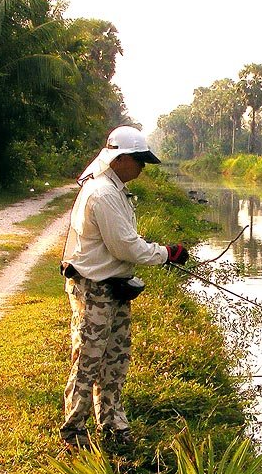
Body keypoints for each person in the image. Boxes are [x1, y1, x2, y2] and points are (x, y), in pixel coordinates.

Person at [59, 125, 189, 451]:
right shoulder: (102, 194)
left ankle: (113, 423)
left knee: (116, 359)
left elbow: (123, 246)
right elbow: (125, 247)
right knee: (88, 360)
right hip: (93, 290)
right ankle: (74, 431)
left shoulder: (115, 190)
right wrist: (166, 253)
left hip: (114, 288)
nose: (142, 167)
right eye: (139, 159)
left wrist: (161, 253)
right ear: (120, 158)